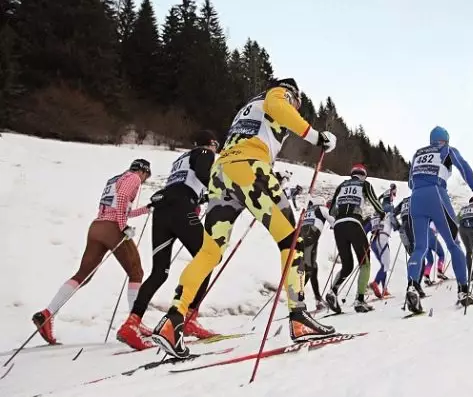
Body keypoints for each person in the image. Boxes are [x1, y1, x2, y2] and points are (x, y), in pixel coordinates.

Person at [152, 78, 338, 358]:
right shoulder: (279, 94)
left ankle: (173, 320)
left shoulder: (246, 108)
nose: (297, 106)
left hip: (222, 175)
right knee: (292, 241)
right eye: (297, 101)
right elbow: (278, 106)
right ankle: (299, 317)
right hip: (250, 169)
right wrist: (316, 137)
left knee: (209, 252)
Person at [117, 132, 219, 351]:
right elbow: (203, 176)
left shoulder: (180, 159)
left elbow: (185, 184)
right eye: (215, 146)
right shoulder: (204, 152)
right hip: (181, 209)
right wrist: (221, 191)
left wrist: (202, 197)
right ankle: (189, 318)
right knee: (209, 257)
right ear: (211, 144)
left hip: (162, 211)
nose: (215, 150)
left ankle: (132, 323)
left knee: (159, 272)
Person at [33, 160, 152, 345]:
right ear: (143, 171)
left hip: (97, 227)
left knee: (83, 275)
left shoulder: (116, 179)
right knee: (137, 272)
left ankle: (47, 313)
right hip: (112, 228)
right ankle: (134, 322)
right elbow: (121, 200)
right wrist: (123, 226)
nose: (143, 181)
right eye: (146, 176)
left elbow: (120, 206)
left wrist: (146, 209)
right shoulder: (134, 178)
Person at [404, 126, 473, 313]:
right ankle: (463, 291)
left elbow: (410, 182)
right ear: (445, 139)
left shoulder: (417, 154)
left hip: (416, 198)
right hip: (436, 194)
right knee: (453, 244)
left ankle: (412, 286)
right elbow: (463, 166)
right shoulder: (446, 149)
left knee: (420, 247)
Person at [325, 163, 384, 314]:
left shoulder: (341, 185)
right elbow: (375, 202)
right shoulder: (364, 184)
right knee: (365, 262)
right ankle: (360, 300)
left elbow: (332, 210)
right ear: (363, 174)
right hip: (354, 223)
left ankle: (333, 291)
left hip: (338, 226)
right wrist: (382, 214)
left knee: (347, 265)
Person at [301, 196, 335, 311]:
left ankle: (317, 299)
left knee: (312, 268)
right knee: (310, 268)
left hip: (301, 239)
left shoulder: (307, 212)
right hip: (311, 237)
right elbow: (333, 220)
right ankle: (297, 299)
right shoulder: (321, 208)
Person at [367, 209, 400, 299]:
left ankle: (384, 289)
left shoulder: (373, 217)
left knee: (383, 265)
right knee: (386, 265)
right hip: (382, 239)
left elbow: (365, 229)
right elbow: (397, 226)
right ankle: (375, 283)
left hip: (373, 242)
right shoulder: (389, 215)